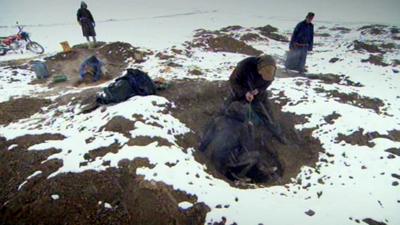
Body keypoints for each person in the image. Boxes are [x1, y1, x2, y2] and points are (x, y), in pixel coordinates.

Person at [228, 54, 286, 144]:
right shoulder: (244, 66)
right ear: (259, 69)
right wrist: (245, 92)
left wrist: (258, 90)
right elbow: (233, 81)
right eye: (262, 75)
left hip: (257, 93)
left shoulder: (272, 71)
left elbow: (267, 83)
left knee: (267, 114)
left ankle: (277, 133)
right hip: (240, 90)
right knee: (227, 108)